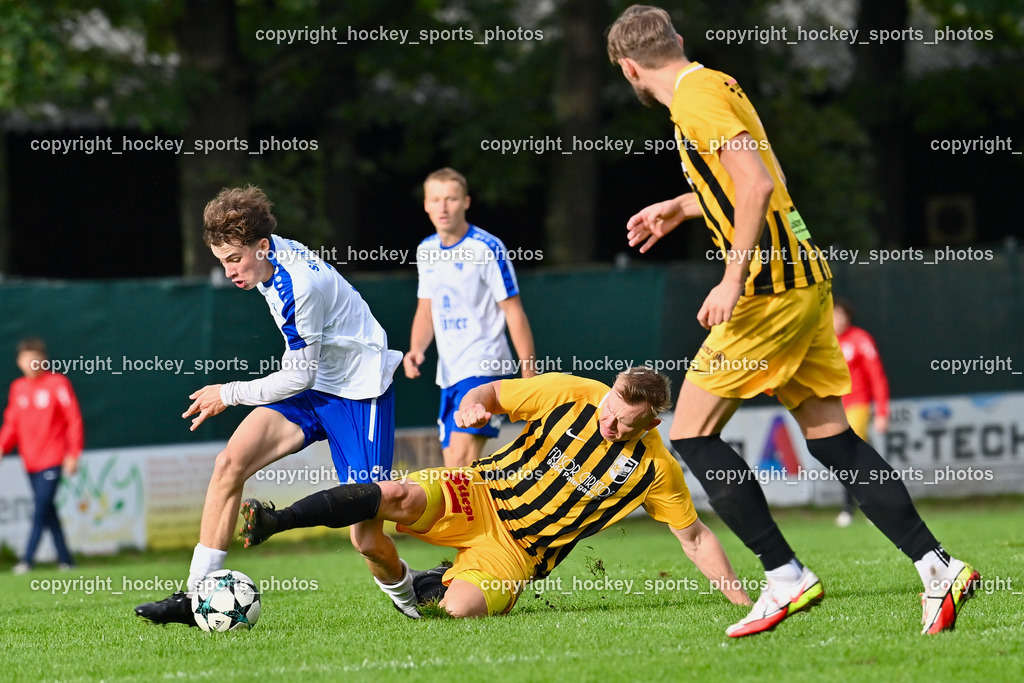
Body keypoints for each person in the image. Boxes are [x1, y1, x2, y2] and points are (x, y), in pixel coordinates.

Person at [606, 5, 978, 637]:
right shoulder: (716, 83)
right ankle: (937, 566)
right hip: (804, 282)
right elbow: (762, 180)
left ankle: (784, 575)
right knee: (832, 436)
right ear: (680, 42)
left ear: (628, 67)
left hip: (769, 291)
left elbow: (754, 188)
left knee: (692, 432)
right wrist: (682, 205)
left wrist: (732, 277)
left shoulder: (694, 102)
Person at [239, 368, 752, 617]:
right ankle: (274, 520)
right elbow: (490, 393)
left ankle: (436, 583)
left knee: (457, 612)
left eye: (625, 420)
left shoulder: (656, 469)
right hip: (480, 490)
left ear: (652, 420)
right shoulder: (574, 393)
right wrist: (474, 407)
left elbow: (695, 538)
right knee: (395, 497)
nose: (610, 420)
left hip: (517, 553)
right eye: (611, 405)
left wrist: (741, 599)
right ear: (612, 389)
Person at [135, 185, 420, 624]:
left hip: (360, 393)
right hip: (315, 383)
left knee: (364, 538)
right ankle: (193, 598)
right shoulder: (269, 258)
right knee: (230, 462)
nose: (230, 271)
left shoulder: (298, 285)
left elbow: (297, 376)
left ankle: (412, 592)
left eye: (235, 259)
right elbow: (304, 374)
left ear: (262, 247)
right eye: (222, 261)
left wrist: (227, 392)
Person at [404, 168, 537, 467]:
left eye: (451, 198)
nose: (443, 207)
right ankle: (486, 512)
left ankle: (470, 514)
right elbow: (426, 309)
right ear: (425, 204)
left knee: (461, 461)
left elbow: (514, 312)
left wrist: (529, 376)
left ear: (466, 202)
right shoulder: (426, 250)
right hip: (449, 371)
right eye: (436, 199)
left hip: (484, 364)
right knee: (455, 465)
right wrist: (416, 350)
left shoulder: (487, 248)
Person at [1, 337, 82, 573]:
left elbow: (73, 419)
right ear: (19, 362)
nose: (31, 364)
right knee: (48, 511)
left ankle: (27, 560)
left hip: (54, 459)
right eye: (27, 360)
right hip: (30, 461)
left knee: (39, 508)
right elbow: (11, 424)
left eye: (36, 359)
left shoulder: (58, 383)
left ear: (43, 360)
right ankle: (67, 560)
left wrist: (73, 453)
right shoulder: (18, 388)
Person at [832, 299, 890, 527]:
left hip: (857, 404)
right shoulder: (822, 341)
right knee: (842, 458)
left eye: (840, 316)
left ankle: (870, 507)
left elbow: (877, 376)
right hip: (832, 408)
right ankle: (850, 507)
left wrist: (883, 411)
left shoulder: (860, 339)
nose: (837, 321)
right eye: (833, 316)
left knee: (852, 455)